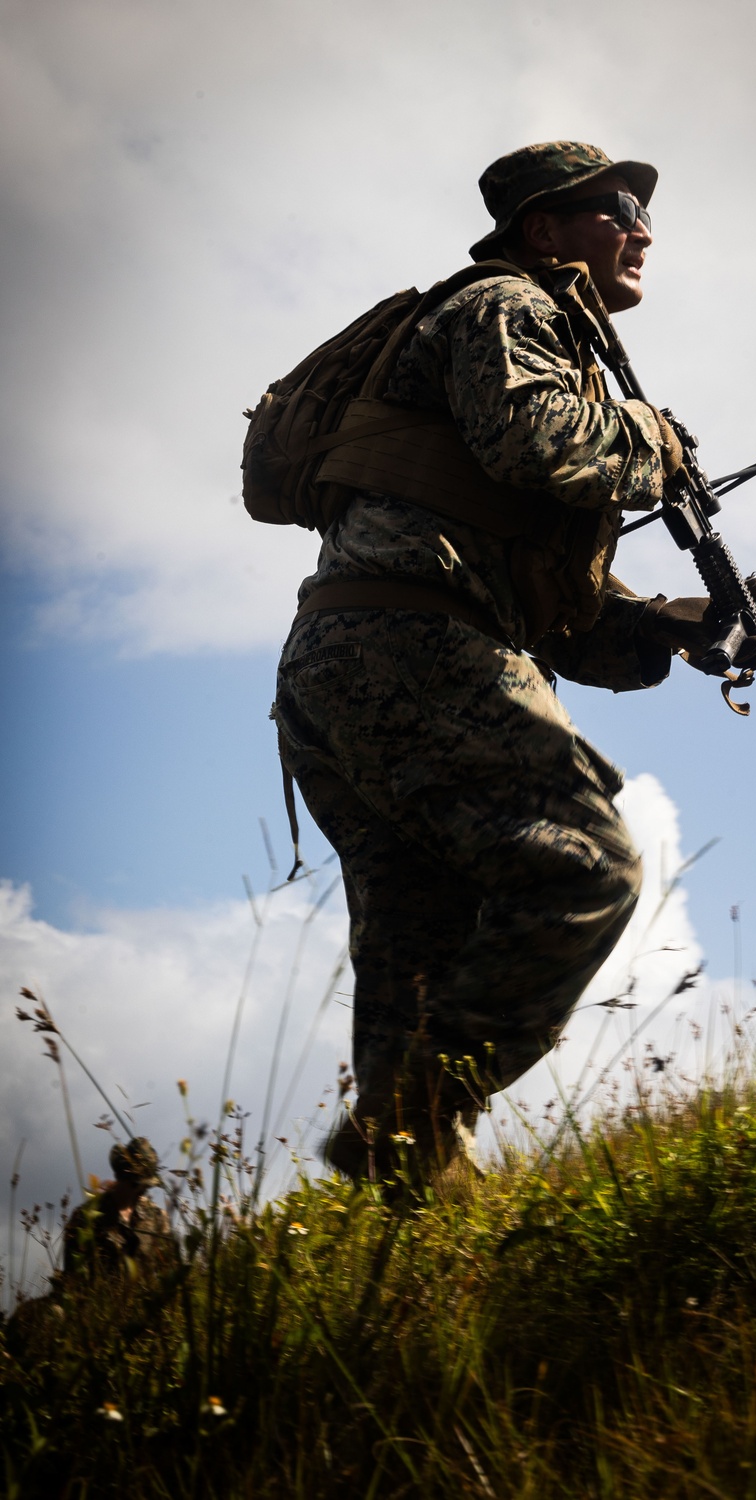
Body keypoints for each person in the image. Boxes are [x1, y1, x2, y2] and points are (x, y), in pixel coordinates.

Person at [271, 141, 718, 1181]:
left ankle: (415, 1246)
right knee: (587, 867)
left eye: (643, 211)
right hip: (412, 644)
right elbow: (536, 443)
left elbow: (547, 609)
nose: (641, 227)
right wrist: (655, 441)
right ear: (541, 231)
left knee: (415, 965)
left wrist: (663, 625)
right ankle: (410, 1119)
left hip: (361, 659)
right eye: (614, 208)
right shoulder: (503, 307)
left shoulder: (534, 338)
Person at [62, 1137, 176, 1278]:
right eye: (133, 1183)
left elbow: (170, 1270)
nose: (140, 1190)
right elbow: (72, 1277)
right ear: (118, 1175)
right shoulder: (85, 1217)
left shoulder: (157, 1217)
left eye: (144, 1185)